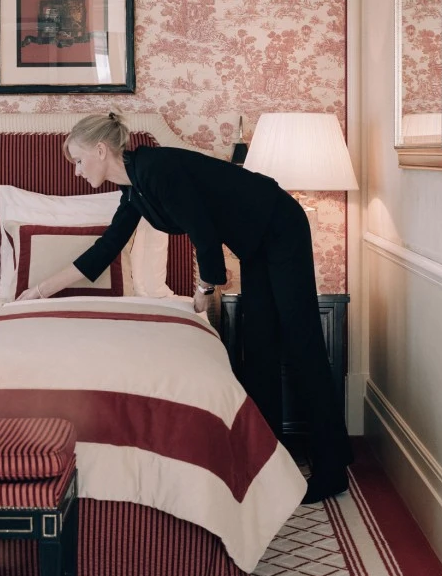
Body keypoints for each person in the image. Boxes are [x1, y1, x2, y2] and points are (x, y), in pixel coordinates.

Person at [18, 112, 353, 503]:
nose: (76, 171)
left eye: (77, 160)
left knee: (301, 342)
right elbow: (104, 250)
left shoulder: (157, 170)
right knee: (258, 346)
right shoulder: (134, 192)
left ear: (100, 149)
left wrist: (203, 290)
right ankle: (268, 464)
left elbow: (203, 232)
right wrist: (38, 292)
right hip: (255, 241)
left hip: (279, 225)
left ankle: (333, 469)